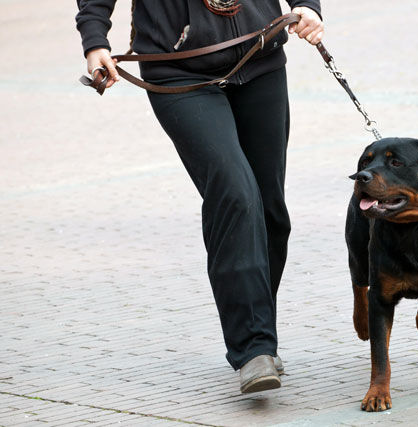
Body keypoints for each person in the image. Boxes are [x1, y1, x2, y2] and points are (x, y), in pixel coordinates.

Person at [76, 0, 323, 393]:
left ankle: (259, 330)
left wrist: (307, 6)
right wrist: (94, 41)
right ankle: (253, 348)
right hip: (178, 72)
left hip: (260, 59)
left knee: (269, 209)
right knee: (236, 193)